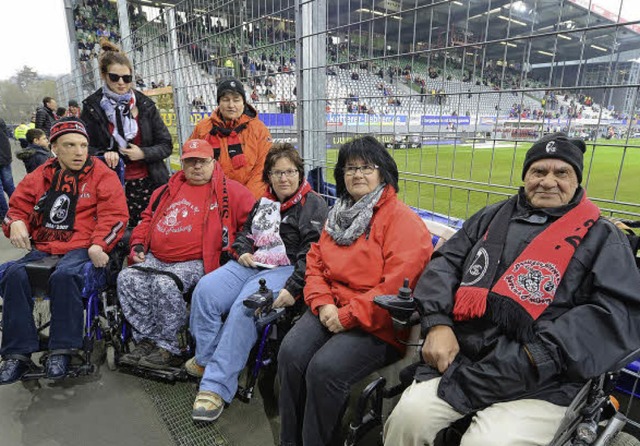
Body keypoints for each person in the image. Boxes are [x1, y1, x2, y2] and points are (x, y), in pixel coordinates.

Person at [384, 133, 640, 446]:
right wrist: (437, 323)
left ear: (577, 181)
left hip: (542, 379)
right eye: (538, 172)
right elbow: (445, 263)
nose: (548, 182)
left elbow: (612, 314)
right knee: (406, 418)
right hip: (463, 359)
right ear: (526, 177)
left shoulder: (603, 237)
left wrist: (536, 357)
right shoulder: (492, 217)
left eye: (561, 173)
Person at [277, 136, 433, 446]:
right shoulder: (338, 214)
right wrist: (322, 304)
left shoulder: (403, 221)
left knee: (325, 370)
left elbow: (397, 286)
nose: (357, 174)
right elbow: (315, 263)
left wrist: (348, 315)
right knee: (290, 354)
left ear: (383, 172)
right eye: (350, 168)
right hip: (329, 307)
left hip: (377, 322)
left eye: (366, 167)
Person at [188, 143, 328, 422]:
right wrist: (242, 251)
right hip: (252, 263)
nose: (283, 178)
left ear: (300, 174)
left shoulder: (314, 205)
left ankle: (216, 386)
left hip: (285, 269)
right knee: (205, 289)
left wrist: (293, 287)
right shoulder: (263, 202)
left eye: (289, 172)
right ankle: (207, 360)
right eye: (277, 173)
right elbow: (244, 234)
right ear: (269, 177)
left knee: (246, 305)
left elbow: (312, 254)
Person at [0, 118, 128, 384]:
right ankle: (17, 353)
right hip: (46, 247)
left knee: (65, 276)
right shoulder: (39, 177)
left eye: (83, 145)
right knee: (14, 275)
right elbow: (15, 209)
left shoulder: (102, 174)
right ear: (54, 147)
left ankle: (63, 349)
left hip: (83, 246)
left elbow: (115, 215)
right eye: (70, 145)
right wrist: (16, 223)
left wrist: (99, 243)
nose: (79, 151)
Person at [116, 139, 255, 369]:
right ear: (182, 163)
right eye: (190, 162)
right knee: (127, 278)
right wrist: (138, 245)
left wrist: (237, 249)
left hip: (197, 260)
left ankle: (169, 345)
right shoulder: (165, 190)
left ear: (213, 162)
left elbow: (251, 227)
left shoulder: (233, 192)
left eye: (202, 161)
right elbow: (146, 220)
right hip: (156, 257)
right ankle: (147, 339)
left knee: (164, 284)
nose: (196, 167)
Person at [81, 39, 172, 227]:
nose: (121, 83)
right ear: (104, 76)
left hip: (150, 182)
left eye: (127, 78)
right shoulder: (92, 107)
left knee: (151, 232)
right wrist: (102, 154)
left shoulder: (145, 105)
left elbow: (166, 144)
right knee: (118, 234)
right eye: (115, 77)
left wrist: (144, 153)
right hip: (111, 186)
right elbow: (82, 147)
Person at [189, 77, 272, 199]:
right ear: (219, 102)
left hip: (247, 199)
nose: (231, 105)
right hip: (209, 197)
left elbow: (262, 170)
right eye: (225, 100)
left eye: (236, 100)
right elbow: (191, 163)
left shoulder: (259, 130)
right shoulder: (202, 128)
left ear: (243, 103)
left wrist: (245, 200)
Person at [0, 119, 15, 221]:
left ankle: (4, 216)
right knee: (9, 186)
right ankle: (20, 209)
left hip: (4, 156)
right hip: (5, 156)